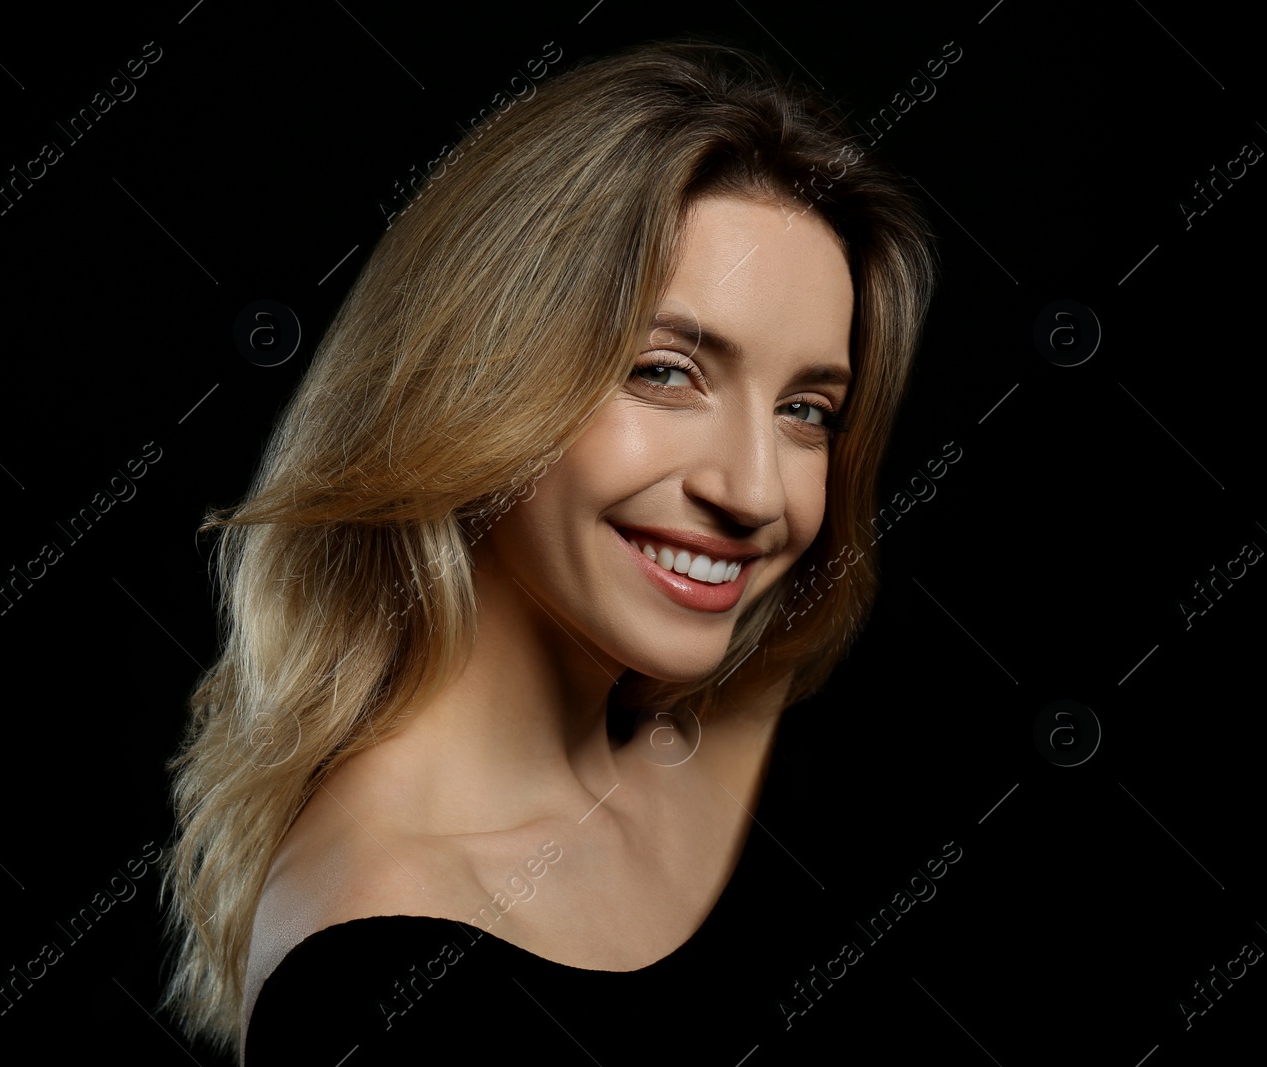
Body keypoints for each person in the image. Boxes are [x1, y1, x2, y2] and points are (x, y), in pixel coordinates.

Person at [158, 37, 936, 1065]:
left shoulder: (754, 727)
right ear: (475, 376)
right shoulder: (372, 964)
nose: (755, 492)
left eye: (805, 409)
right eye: (665, 373)